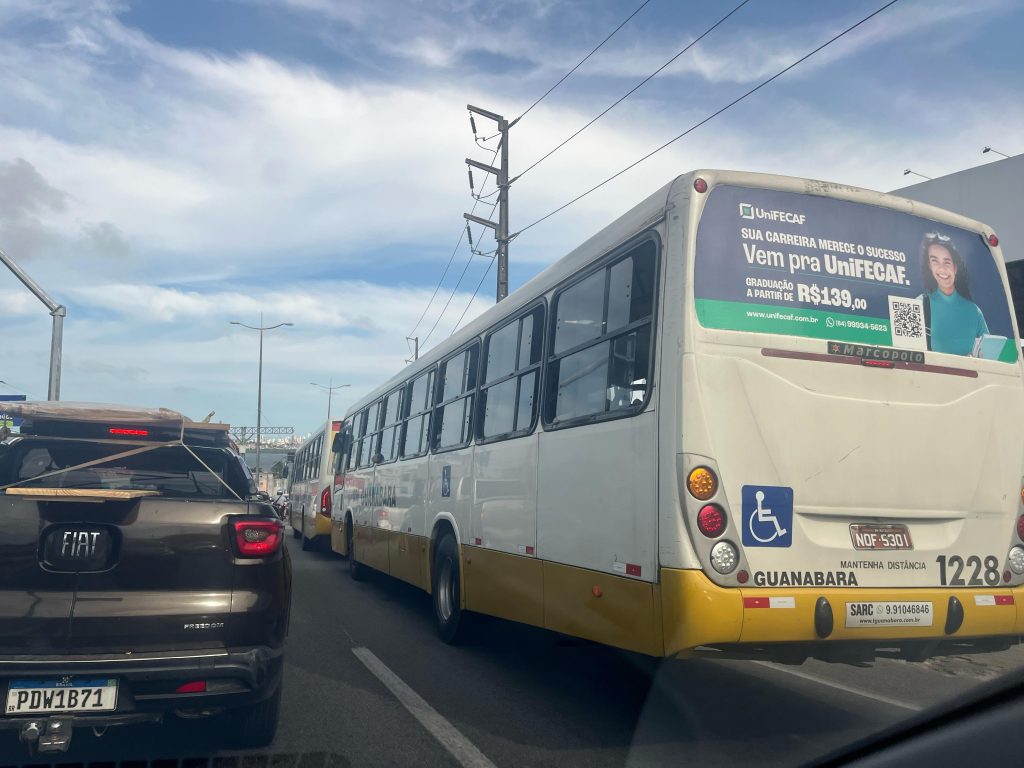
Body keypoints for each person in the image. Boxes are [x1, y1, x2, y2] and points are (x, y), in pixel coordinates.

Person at [919, 232, 988, 355]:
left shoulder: (973, 311)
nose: (942, 268)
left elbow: (989, 355)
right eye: (935, 261)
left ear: (955, 267)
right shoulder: (920, 304)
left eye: (947, 262)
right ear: (930, 266)